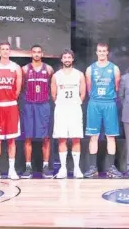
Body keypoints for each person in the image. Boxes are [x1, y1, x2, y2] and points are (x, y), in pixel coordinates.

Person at [84, 43, 122, 178]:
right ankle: (92, 168)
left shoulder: (114, 68)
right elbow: (89, 88)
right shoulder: (90, 69)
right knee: (93, 136)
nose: (101, 53)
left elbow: (117, 87)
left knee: (110, 136)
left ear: (107, 52)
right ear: (96, 52)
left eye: (104, 51)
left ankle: (111, 168)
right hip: (95, 103)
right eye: (99, 51)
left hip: (109, 103)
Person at [0, 42, 23, 181]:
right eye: (2, 49)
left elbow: (18, 89)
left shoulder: (16, 67)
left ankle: (11, 170)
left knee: (11, 140)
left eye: (7, 49)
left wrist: (10, 99)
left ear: (10, 51)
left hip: (11, 106)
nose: (5, 51)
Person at [21, 44, 54, 178]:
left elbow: (52, 87)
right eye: (34, 52)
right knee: (28, 137)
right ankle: (28, 168)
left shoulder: (49, 69)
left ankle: (45, 167)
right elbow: (22, 87)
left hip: (43, 105)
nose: (36, 54)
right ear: (31, 53)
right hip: (29, 105)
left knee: (46, 137)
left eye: (39, 52)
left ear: (42, 54)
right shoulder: (24, 69)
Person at [51, 49, 86, 179]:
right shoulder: (56, 75)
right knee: (62, 139)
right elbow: (53, 95)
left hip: (75, 109)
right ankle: (63, 168)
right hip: (61, 109)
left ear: (72, 59)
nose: (67, 59)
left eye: (69, 57)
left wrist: (74, 103)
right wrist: (63, 104)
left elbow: (83, 94)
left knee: (76, 138)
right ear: (61, 60)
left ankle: (77, 169)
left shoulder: (79, 74)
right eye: (64, 57)